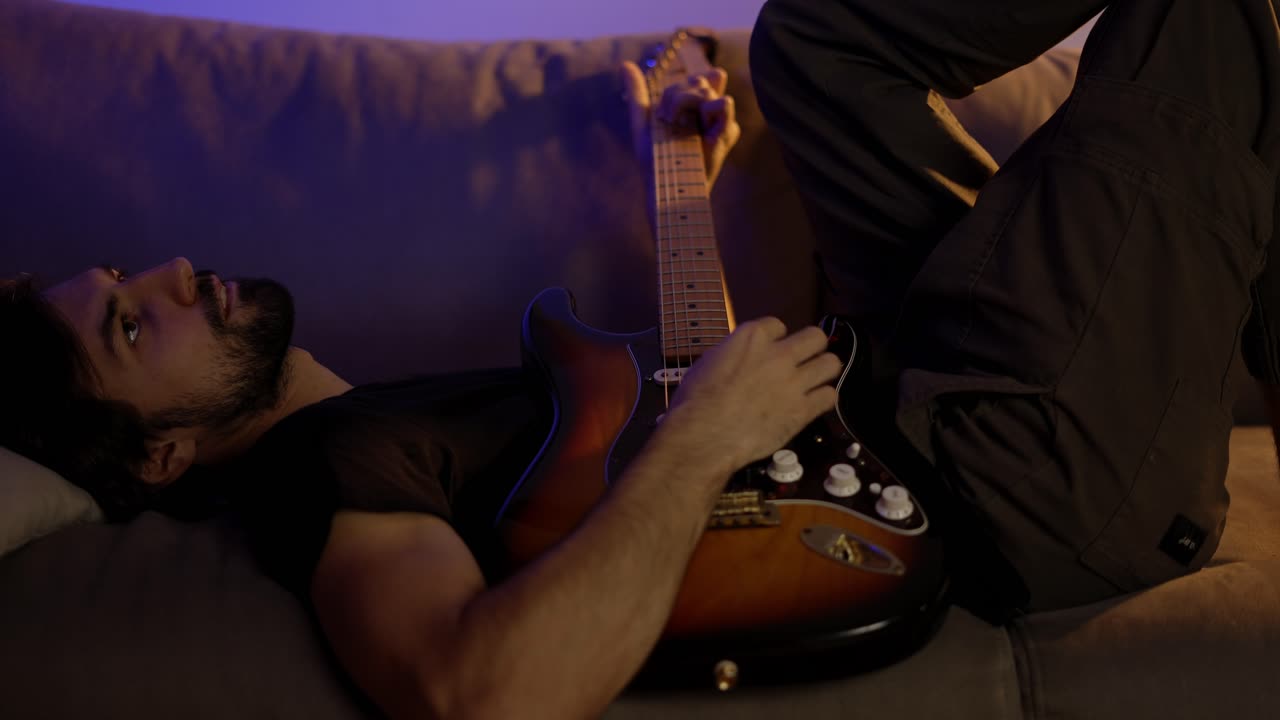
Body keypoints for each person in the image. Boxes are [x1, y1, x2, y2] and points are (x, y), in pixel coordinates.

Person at [0, 64, 841, 719]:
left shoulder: (375, 422)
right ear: (159, 455)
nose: (173, 272)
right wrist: (702, 438)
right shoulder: (322, 459)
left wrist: (676, 166)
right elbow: (479, 694)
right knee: (822, 52)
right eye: (131, 328)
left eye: (122, 276)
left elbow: (663, 394)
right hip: (920, 452)